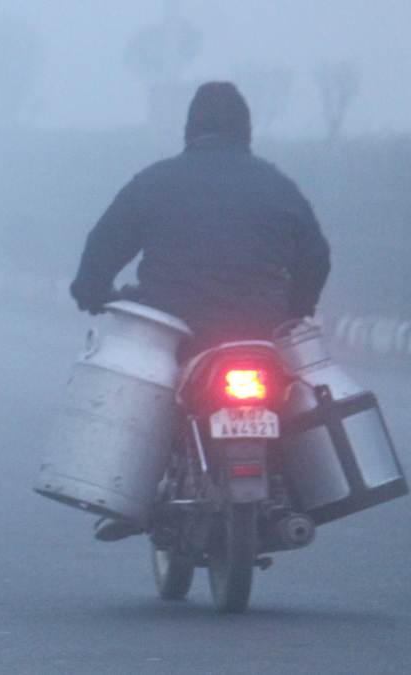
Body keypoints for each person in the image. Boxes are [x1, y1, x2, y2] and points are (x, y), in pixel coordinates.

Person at [68, 81, 331, 541]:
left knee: (152, 393)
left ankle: (137, 496)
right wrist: (296, 309)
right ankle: (290, 492)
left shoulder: (156, 180)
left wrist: (91, 290)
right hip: (260, 330)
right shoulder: (277, 185)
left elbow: (105, 242)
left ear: (190, 129)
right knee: (289, 397)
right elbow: (317, 257)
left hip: (181, 328)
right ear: (246, 132)